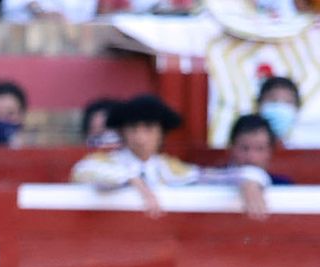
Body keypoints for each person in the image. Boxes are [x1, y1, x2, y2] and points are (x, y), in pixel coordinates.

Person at [71, 94, 268, 220]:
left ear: (160, 134)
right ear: (123, 132)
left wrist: (250, 179)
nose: (140, 137)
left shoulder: (168, 168)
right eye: (133, 129)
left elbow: (213, 176)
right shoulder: (107, 161)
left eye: (148, 129)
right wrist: (132, 179)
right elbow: (82, 172)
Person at [228, 113, 294, 186]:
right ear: (231, 149)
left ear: (270, 151)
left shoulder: (283, 186)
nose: (252, 157)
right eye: (244, 148)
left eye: (260, 148)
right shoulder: (216, 182)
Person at [256, 75, 302, 146]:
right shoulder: (244, 145)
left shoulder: (306, 146)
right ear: (259, 104)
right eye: (273, 101)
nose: (280, 107)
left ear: (297, 109)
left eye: (288, 102)